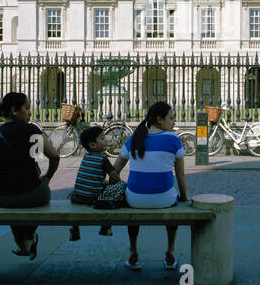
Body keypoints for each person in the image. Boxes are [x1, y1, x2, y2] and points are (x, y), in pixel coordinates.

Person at [0, 92, 60, 258]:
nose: (29, 112)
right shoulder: (32, 130)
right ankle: (29, 237)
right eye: (26, 108)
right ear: (14, 110)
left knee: (13, 202)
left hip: (2, 196)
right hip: (33, 194)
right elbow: (52, 156)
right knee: (32, 198)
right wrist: (47, 177)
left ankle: (24, 243)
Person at [110, 102, 188, 271]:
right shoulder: (174, 139)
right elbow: (180, 175)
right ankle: (170, 252)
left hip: (135, 199)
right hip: (164, 198)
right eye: (171, 118)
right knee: (172, 204)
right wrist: (185, 197)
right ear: (160, 120)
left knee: (133, 203)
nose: (174, 122)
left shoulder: (133, 139)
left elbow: (114, 171)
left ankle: (133, 253)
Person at [68, 126, 117, 241]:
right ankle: (106, 227)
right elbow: (115, 177)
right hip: (93, 198)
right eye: (102, 138)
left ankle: (75, 228)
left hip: (77, 196)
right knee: (114, 195)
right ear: (93, 145)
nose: (106, 140)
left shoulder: (86, 157)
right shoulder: (103, 158)